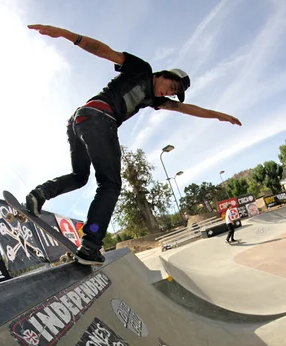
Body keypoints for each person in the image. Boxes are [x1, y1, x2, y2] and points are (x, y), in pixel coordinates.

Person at [26, 24, 242, 265]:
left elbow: (187, 108)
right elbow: (103, 51)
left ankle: (39, 194)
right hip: (99, 119)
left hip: (80, 120)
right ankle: (91, 244)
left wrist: (220, 115)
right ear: (163, 74)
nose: (167, 93)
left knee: (80, 176)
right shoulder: (142, 69)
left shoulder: (154, 99)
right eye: (170, 86)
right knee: (110, 184)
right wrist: (66, 35)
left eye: (171, 93)